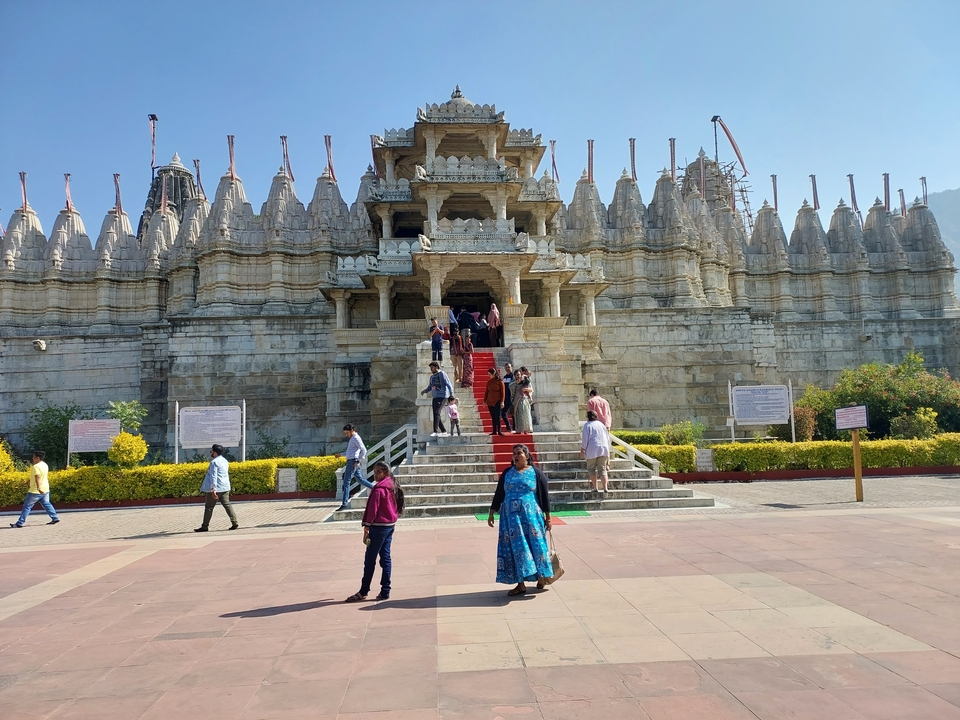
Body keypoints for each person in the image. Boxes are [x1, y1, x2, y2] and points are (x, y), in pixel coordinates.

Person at [487, 444, 553, 596]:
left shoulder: (536, 473)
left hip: (531, 519)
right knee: (515, 550)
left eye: (519, 453)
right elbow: (499, 494)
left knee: (537, 547)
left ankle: (542, 576)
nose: (516, 456)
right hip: (511, 521)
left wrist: (548, 518)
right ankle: (520, 584)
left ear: (527, 456)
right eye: (514, 454)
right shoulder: (507, 473)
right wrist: (492, 512)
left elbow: (544, 497)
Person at [345, 461, 402, 602]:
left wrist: (366, 526)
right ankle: (385, 591)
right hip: (390, 525)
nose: (375, 475)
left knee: (370, 560)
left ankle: (364, 591)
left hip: (378, 527)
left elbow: (372, 510)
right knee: (386, 558)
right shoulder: (393, 486)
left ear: (385, 473)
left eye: (378, 472)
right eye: (375, 472)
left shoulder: (379, 489)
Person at [10, 450, 59, 528]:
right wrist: (28, 482)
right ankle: (55, 517)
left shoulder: (36, 467)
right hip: (45, 489)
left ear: (38, 458)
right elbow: (37, 476)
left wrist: (38, 488)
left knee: (27, 506)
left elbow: (38, 477)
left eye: (33, 457)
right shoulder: (45, 465)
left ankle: (20, 523)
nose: (32, 458)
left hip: (35, 490)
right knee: (46, 504)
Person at [195, 444, 239, 532]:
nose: (211, 453)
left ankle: (204, 526)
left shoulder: (214, 462)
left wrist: (213, 489)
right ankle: (234, 522)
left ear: (215, 453)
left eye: (211, 451)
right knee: (227, 505)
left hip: (217, 488)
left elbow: (213, 476)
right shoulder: (225, 461)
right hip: (225, 487)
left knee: (209, 507)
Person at [339, 424, 374, 511]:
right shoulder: (352, 438)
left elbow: (364, 450)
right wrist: (341, 454)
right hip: (351, 461)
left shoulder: (356, 438)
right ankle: (375, 488)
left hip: (352, 462)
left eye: (347, 433)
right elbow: (350, 452)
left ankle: (344, 503)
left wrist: (358, 461)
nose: (346, 435)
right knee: (360, 479)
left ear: (352, 430)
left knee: (346, 482)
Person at [421, 361, 454, 436]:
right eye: (430, 368)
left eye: (432, 368)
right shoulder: (432, 377)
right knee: (436, 414)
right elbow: (430, 387)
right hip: (435, 397)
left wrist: (451, 395)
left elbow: (448, 383)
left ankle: (435, 431)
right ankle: (443, 430)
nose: (431, 369)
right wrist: (425, 391)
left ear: (436, 367)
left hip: (442, 396)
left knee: (437, 412)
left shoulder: (442, 374)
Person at [580, 410, 610, 492]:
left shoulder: (587, 425)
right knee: (603, 469)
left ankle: (595, 488)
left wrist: (582, 450)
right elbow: (607, 438)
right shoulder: (602, 425)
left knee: (591, 469)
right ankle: (605, 488)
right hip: (603, 449)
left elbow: (585, 439)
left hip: (592, 449)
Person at [483, 367, 505, 436]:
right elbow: (486, 392)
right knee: (493, 417)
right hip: (490, 401)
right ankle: (494, 431)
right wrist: (484, 401)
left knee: (497, 416)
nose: (489, 376)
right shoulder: (489, 382)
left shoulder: (500, 381)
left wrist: (502, 401)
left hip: (497, 401)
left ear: (494, 374)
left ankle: (499, 430)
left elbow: (502, 392)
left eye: (490, 374)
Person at [501, 362, 514, 432]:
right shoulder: (505, 377)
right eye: (506, 368)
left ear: (511, 367)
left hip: (512, 397)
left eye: (508, 367)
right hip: (505, 398)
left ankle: (515, 428)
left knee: (513, 414)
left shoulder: (514, 377)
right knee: (503, 413)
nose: (507, 369)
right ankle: (508, 427)